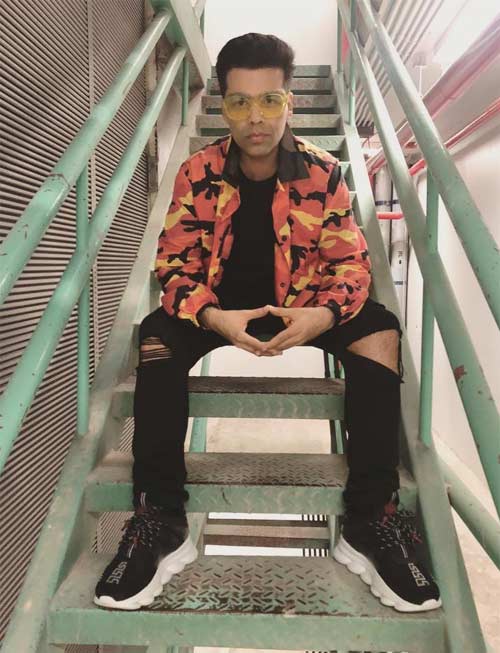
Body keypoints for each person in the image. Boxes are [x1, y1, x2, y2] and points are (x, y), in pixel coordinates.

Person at [94, 32, 441, 613]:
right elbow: (174, 266)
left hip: (304, 305)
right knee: (156, 337)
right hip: (219, 308)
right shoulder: (197, 172)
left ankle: (370, 519)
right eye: (240, 102)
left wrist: (322, 316)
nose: (255, 118)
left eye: (269, 100)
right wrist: (213, 317)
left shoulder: (324, 173)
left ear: (289, 102)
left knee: (379, 330)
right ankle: (161, 517)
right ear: (224, 106)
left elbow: (350, 265)